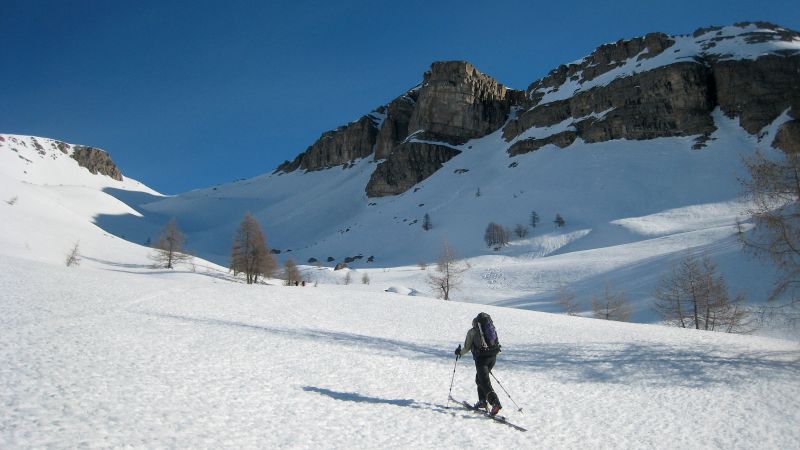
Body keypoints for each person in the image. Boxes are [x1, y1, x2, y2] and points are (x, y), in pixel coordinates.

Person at [455, 313, 502, 416]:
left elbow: (466, 348)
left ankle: (495, 403)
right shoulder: (490, 329)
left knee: (485, 382)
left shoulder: (472, 331)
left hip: (482, 359)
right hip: (493, 357)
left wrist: (459, 352)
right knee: (479, 379)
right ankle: (482, 402)